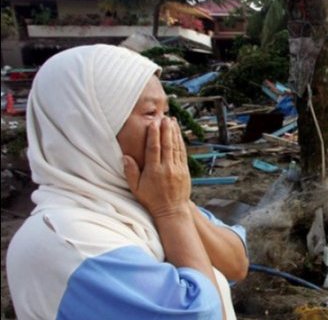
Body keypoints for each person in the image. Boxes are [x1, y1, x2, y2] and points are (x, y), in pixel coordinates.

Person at [6, 44, 248, 320]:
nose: (168, 128)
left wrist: (177, 203)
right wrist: (171, 212)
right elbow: (200, 314)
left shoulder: (141, 199)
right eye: (150, 113)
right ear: (89, 128)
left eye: (166, 113)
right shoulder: (68, 240)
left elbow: (236, 263)